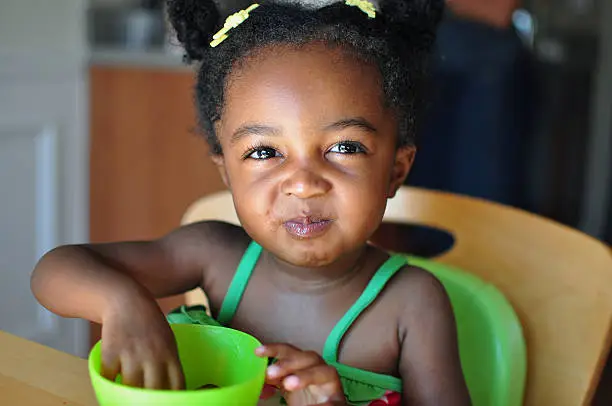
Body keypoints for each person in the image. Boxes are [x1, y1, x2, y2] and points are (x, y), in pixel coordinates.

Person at [31, 1, 471, 405]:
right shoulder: (212, 253)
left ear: (396, 170)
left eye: (344, 147)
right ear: (226, 174)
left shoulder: (413, 304)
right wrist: (122, 302)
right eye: (264, 152)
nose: (303, 184)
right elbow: (54, 270)